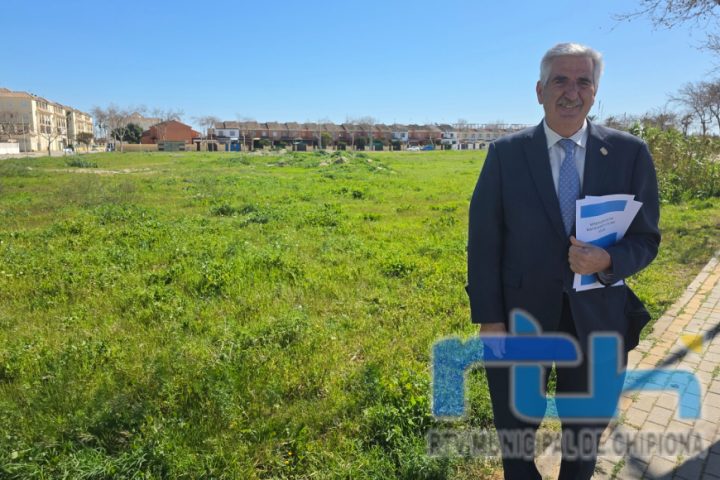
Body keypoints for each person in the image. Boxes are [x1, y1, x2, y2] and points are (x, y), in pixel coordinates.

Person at [466, 43, 660, 480]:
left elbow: (646, 238)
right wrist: (490, 320)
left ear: (595, 92)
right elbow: (483, 243)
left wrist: (609, 259)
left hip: (598, 318)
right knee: (515, 433)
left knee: (584, 435)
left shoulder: (630, 153)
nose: (572, 92)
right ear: (539, 91)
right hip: (520, 319)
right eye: (560, 81)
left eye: (583, 82)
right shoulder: (506, 154)